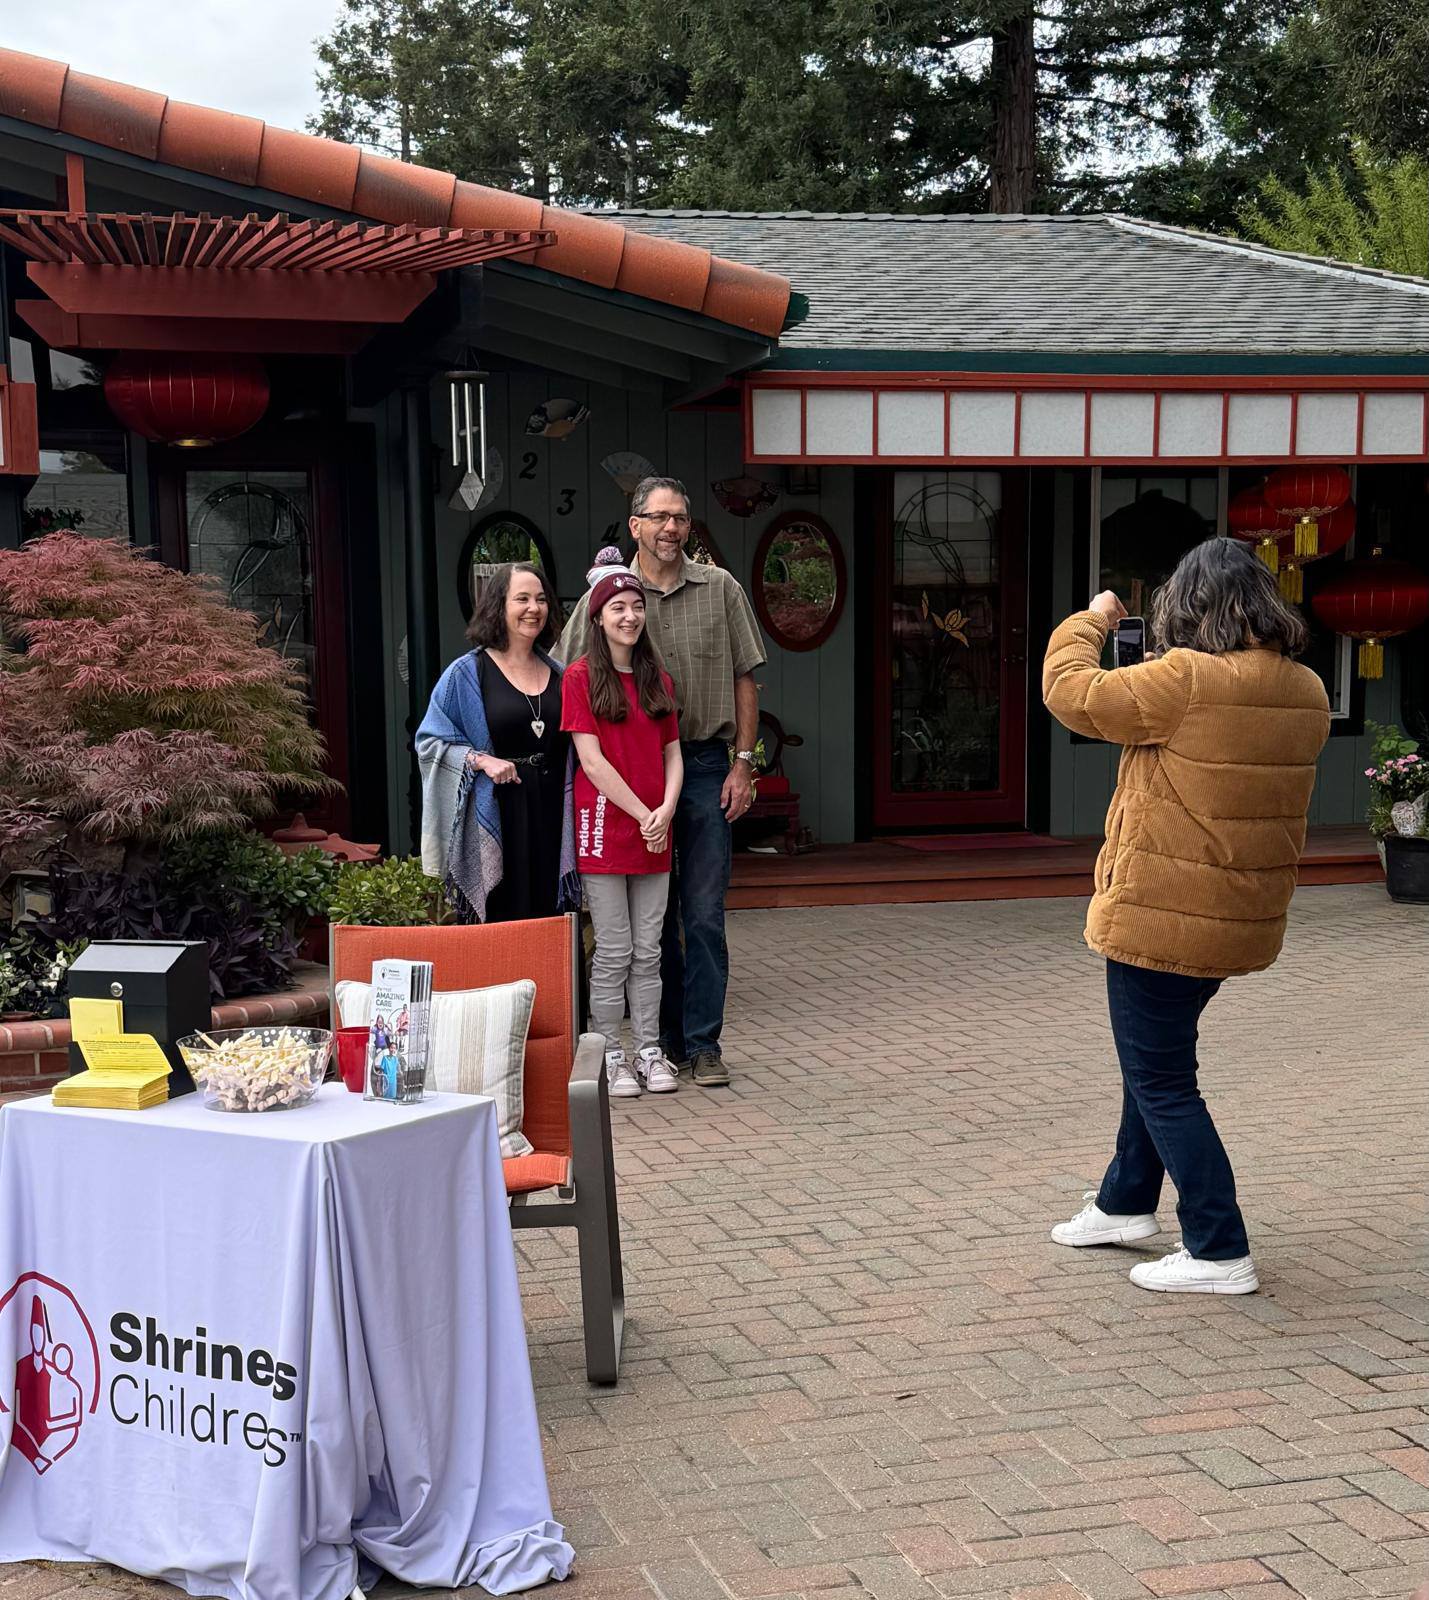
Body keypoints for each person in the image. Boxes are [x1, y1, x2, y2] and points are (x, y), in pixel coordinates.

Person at [1042, 536, 1330, 1294]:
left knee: (1164, 1080)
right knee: (1157, 1065)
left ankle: (1216, 1247)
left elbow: (1070, 692)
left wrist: (1093, 618)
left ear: (1188, 605)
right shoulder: (1305, 688)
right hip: (1238, 912)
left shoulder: (1185, 678)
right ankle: (1122, 1204)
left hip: (1161, 914)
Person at [560, 479, 765, 1088]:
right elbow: (564, 666)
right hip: (621, 777)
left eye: (680, 517)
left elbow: (745, 679)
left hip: (699, 769)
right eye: (659, 517)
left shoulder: (720, 588)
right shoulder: (609, 594)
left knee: (701, 914)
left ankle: (701, 1045)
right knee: (649, 923)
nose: (671, 528)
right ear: (634, 525)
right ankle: (657, 1045)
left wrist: (744, 763)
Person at [561, 556, 683, 1097]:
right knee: (613, 949)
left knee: (650, 948)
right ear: (598, 617)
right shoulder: (580, 678)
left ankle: (650, 1050)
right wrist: (642, 812)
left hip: (657, 828)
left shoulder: (659, 680)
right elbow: (591, 762)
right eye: (618, 608)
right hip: (605, 827)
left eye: (636, 607)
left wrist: (667, 810)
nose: (629, 616)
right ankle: (609, 1052)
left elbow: (673, 754)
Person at [418, 562, 580, 923]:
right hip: (497, 813)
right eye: (521, 598)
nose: (533, 608)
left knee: (552, 920)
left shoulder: (560, 674)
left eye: (540, 599)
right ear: (498, 606)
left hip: (553, 812)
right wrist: (479, 760)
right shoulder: (467, 673)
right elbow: (428, 743)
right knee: (501, 921)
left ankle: (554, 983)